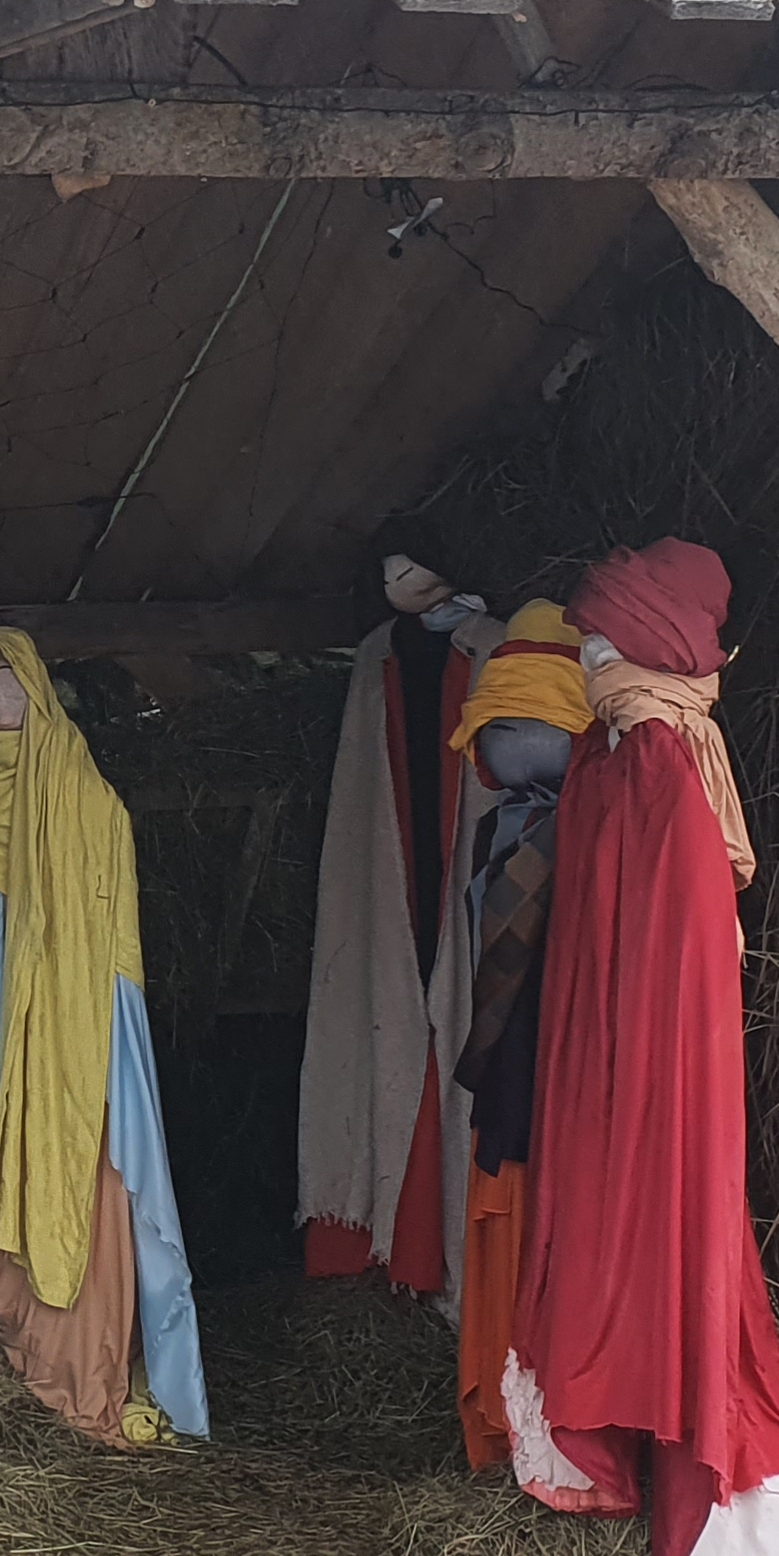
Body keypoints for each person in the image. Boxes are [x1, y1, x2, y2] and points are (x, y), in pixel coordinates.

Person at [501, 541, 779, 1556]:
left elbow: (683, 956)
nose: (587, 655)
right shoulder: (615, 755)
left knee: (688, 1271)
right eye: (587, 637)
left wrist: (647, 1090)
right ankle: (636, 1458)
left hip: (666, 1079)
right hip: (613, 1073)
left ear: (654, 645)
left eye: (602, 638)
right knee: (621, 1259)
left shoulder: (662, 757)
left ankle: (748, 1548)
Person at [0, 630, 207, 1444]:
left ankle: (81, 1383)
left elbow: (111, 938)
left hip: (75, 1050)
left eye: (12, 701)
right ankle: (2, 1385)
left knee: (85, 1197)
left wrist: (84, 1034)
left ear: (39, 704)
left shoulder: (84, 799)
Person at [300, 550, 507, 1297]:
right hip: (396, 854)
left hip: (472, 852)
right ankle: (385, 1237)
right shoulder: (376, 657)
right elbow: (361, 778)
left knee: (467, 1012)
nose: (399, 581)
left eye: (411, 565)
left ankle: (458, 1246)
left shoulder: (492, 646)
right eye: (388, 571)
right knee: (382, 1015)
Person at [443, 597, 587, 1472]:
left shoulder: (525, 831)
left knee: (532, 1237)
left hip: (530, 1085)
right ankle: (527, 1423)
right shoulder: (547, 830)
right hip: (537, 1083)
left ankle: (531, 1422)